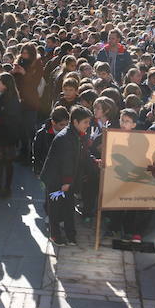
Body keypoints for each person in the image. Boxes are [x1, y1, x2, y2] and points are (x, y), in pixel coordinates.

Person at [41, 105, 94, 246]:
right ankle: (55, 236)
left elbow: (83, 155)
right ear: (75, 122)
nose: (88, 126)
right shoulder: (65, 138)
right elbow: (66, 163)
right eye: (85, 122)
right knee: (55, 209)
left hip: (68, 181)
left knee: (68, 207)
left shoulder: (78, 135)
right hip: (56, 181)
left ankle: (71, 235)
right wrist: (66, 182)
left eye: (89, 122)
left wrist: (95, 162)